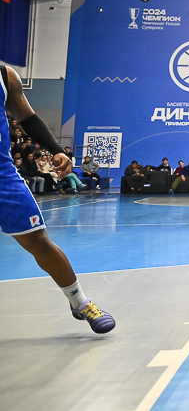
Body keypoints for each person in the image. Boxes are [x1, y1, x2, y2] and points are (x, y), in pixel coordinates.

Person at [0, 65, 115, 333]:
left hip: (3, 177)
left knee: (38, 241)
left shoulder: (6, 76)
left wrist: (55, 149)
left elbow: (28, 118)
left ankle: (80, 302)